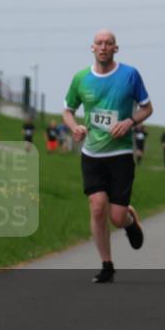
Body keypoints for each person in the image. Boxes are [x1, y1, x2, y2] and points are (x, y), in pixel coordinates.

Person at [62, 29, 152, 284]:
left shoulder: (129, 75)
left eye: (108, 43)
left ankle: (129, 220)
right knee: (97, 206)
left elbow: (147, 108)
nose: (103, 47)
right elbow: (68, 111)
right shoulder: (81, 78)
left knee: (117, 217)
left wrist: (129, 121)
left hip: (120, 153)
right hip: (92, 153)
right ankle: (107, 264)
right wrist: (75, 127)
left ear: (115, 48)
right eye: (99, 43)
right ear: (92, 48)